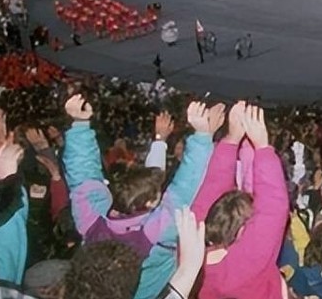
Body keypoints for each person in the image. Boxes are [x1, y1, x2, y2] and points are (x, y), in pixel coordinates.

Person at [61, 94, 218, 299]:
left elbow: (82, 176)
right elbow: (184, 188)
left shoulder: (91, 220)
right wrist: (202, 137)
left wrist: (80, 125)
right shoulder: (156, 232)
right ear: (151, 202)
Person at [190, 102, 289, 299]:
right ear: (242, 230)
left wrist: (232, 139)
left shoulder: (189, 254)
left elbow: (209, 190)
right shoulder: (246, 266)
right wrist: (262, 147)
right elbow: (273, 208)